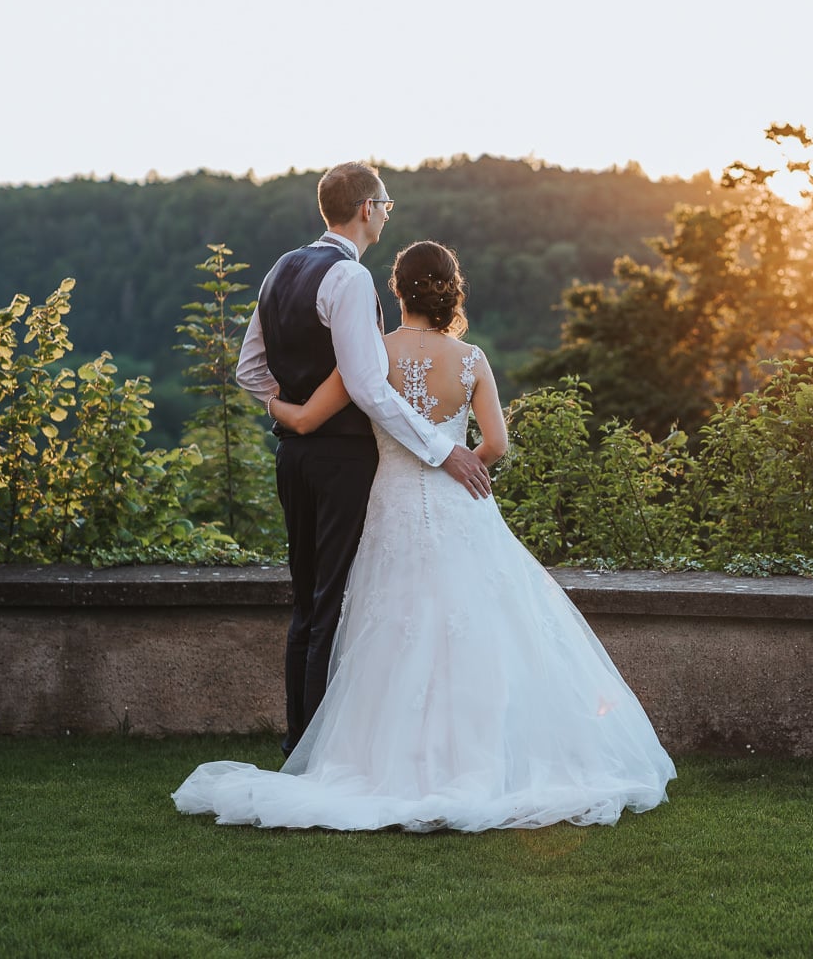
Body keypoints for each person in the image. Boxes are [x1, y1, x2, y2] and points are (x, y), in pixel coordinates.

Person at [173, 241, 675, 832]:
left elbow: (311, 416)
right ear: (451, 290)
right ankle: (482, 756)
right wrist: (463, 462)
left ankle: (388, 760)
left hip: (390, 504)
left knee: (392, 626)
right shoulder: (472, 359)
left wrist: (278, 408)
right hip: (459, 501)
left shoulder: (371, 356)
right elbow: (497, 444)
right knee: (482, 625)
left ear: (396, 290)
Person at [234, 162, 492, 758]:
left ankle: (299, 741)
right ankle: (319, 750)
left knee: (306, 602)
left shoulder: (281, 269)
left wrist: (290, 414)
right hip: (341, 461)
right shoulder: (349, 279)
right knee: (331, 604)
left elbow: (249, 370)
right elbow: (370, 387)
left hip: (292, 460)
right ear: (367, 209)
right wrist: (442, 449)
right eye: (385, 205)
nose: (386, 213)